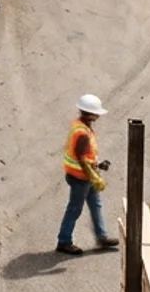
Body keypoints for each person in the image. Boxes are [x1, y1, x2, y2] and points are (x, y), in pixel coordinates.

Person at [57, 93, 115, 255]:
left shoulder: (79, 125)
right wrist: (94, 176)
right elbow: (81, 159)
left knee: (96, 205)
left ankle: (102, 237)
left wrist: (97, 165)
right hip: (80, 177)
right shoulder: (83, 133)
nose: (98, 115)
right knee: (74, 208)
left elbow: (85, 157)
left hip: (82, 175)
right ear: (90, 113)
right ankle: (64, 241)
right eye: (96, 113)